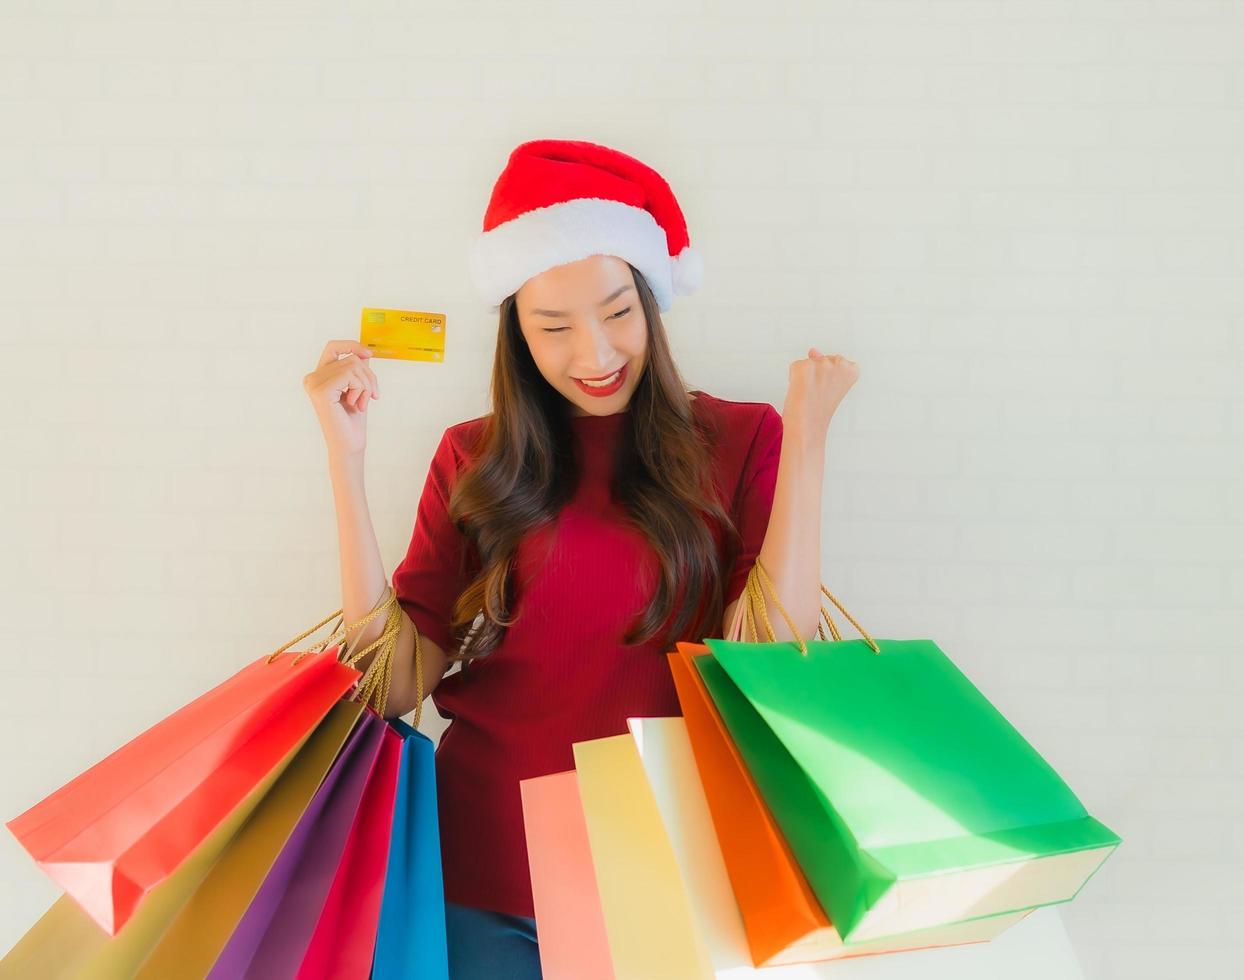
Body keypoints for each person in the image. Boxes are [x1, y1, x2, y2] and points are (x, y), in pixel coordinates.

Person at [300, 139, 859, 977]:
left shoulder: (742, 439)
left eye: (617, 313)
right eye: (553, 327)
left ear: (652, 302)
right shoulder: (473, 456)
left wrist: (810, 440)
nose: (594, 356)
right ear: (518, 334)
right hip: (482, 863)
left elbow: (770, 663)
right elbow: (393, 682)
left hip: (667, 864)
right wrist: (344, 461)